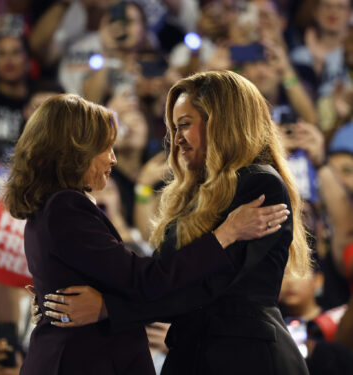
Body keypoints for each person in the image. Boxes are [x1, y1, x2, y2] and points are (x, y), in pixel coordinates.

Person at [41, 71, 311, 374]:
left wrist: (108, 309)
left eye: (184, 124)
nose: (176, 138)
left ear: (222, 123)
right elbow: (161, 277)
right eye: (174, 127)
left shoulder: (260, 185)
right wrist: (60, 287)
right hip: (191, 352)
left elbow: (210, 286)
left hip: (249, 356)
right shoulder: (189, 195)